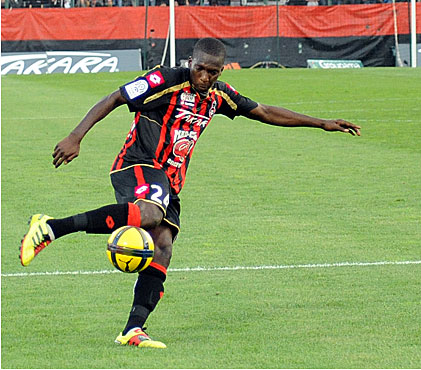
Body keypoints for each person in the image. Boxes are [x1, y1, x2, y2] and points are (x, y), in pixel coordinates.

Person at [20, 38, 361, 349]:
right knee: (150, 214)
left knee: (163, 245)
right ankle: (51, 228)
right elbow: (115, 97)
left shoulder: (219, 96)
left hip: (170, 181)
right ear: (190, 62)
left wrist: (322, 123)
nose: (204, 76)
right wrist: (75, 136)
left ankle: (134, 329)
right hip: (137, 163)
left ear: (219, 71)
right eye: (200, 68)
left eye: (212, 71)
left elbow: (265, 112)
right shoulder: (164, 80)